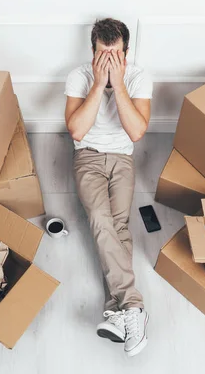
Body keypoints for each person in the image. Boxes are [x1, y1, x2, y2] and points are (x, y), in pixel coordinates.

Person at [64, 18, 152, 357]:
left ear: (126, 54)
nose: (109, 60)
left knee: (119, 227)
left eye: (115, 55)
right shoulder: (79, 76)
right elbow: (76, 131)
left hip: (122, 159)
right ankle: (133, 307)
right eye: (103, 55)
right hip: (87, 157)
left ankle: (116, 312)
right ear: (93, 52)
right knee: (101, 221)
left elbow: (136, 132)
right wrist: (99, 85)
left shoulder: (139, 76)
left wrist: (120, 83)